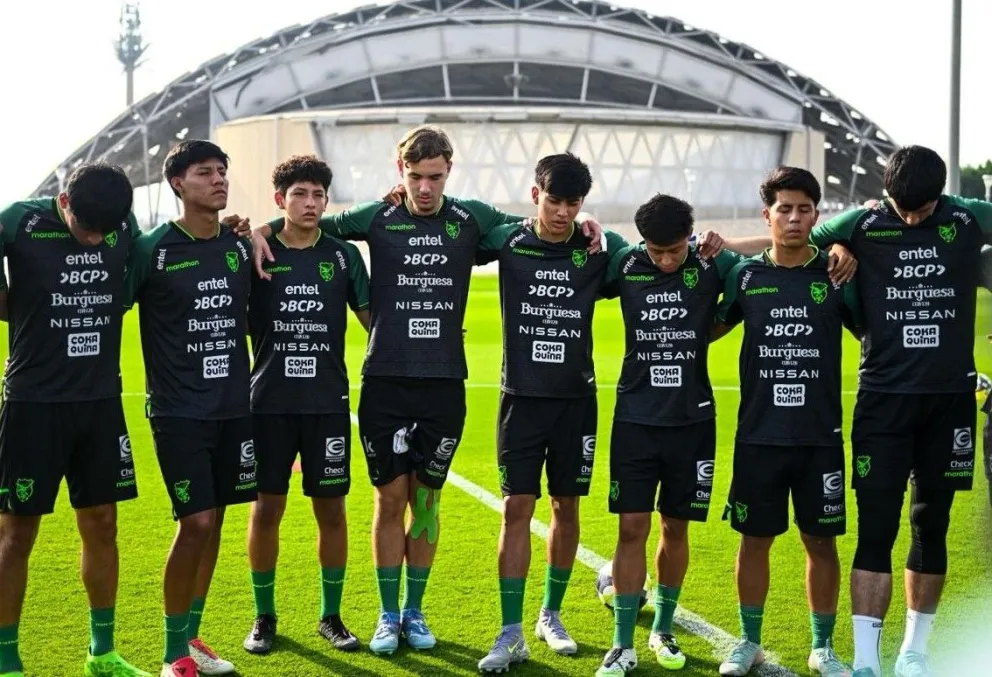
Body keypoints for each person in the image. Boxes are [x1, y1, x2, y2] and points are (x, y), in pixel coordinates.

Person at [249, 125, 602, 654]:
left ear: (448, 173)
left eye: (434, 177)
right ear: (401, 173)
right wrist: (256, 227)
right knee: (389, 500)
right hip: (385, 382)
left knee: (427, 501)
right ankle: (387, 616)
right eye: (415, 177)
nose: (424, 188)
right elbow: (309, 221)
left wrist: (584, 220)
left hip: (443, 384)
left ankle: (415, 612)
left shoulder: (472, 219)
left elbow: (535, 228)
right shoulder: (375, 216)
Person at [809, 146, 992, 677]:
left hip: (949, 400)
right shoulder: (863, 219)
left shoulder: (966, 215)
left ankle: (915, 651)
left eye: (922, 210)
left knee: (930, 524)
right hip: (884, 400)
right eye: (902, 209)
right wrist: (839, 242)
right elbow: (802, 238)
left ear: (941, 197)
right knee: (876, 529)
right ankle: (866, 659)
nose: (911, 219)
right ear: (886, 192)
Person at [471, 153, 627, 672]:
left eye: (573, 204)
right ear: (535, 195)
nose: (562, 212)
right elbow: (454, 212)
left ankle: (550, 614)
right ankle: (510, 630)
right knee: (517, 508)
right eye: (554, 200)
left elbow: (661, 246)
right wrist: (400, 196)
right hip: (520, 399)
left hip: (576, 401)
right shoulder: (508, 239)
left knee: (566, 508)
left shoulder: (597, 247)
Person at [0, 164, 150, 677]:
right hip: (33, 405)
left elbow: (136, 277)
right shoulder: (19, 221)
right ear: (64, 203)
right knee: (17, 535)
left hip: (100, 404)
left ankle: (101, 652)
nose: (94, 241)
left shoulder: (121, 227)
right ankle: (6, 658)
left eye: (103, 233)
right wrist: (17, 307)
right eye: (86, 228)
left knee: (103, 526)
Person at [712, 167, 861, 677]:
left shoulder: (837, 274)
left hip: (819, 437)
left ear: (817, 216)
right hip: (759, 435)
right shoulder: (745, 275)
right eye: (784, 209)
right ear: (767, 215)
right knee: (754, 540)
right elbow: (709, 326)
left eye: (804, 209)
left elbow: (872, 330)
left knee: (821, 541)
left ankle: (822, 647)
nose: (794, 218)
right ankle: (747, 641)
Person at [589, 194, 743, 676]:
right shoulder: (626, 263)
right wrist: (589, 222)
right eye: (657, 252)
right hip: (635, 418)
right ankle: (622, 643)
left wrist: (706, 331)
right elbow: (583, 254)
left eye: (675, 250)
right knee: (631, 527)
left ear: (690, 237)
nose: (666, 260)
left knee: (675, 527)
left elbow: (771, 258)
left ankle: (664, 626)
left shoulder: (714, 261)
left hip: (692, 420)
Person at [124, 140, 256, 677]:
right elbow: (111, 303)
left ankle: (193, 637)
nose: (219, 180)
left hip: (234, 407)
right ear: (177, 183)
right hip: (179, 411)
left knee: (217, 520)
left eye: (223, 171)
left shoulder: (240, 245)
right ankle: (171, 650)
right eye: (205, 172)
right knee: (195, 522)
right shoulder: (153, 250)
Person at [242, 155, 371, 655]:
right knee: (265, 511)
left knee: (332, 512)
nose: (311, 203)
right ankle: (264, 616)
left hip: (326, 404)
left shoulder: (342, 257)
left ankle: (330, 616)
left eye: (318, 194)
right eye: (300, 194)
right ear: (281, 200)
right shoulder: (257, 251)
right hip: (268, 403)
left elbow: (372, 321)